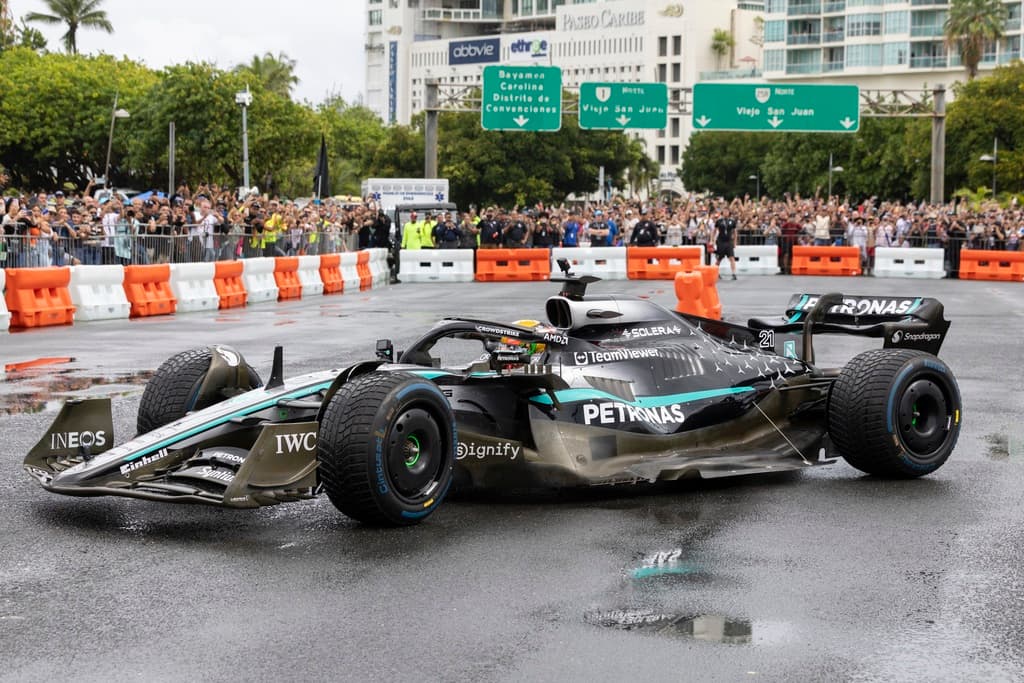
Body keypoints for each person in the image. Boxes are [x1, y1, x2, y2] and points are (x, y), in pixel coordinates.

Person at [712, 206, 738, 280]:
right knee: (719, 259)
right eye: (724, 211)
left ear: (729, 213)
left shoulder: (732, 221)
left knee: (732, 258)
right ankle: (716, 273)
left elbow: (735, 232)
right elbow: (714, 231)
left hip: (729, 241)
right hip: (721, 241)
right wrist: (712, 240)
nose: (726, 213)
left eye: (727, 211)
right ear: (722, 213)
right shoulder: (719, 221)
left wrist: (735, 242)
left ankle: (734, 274)